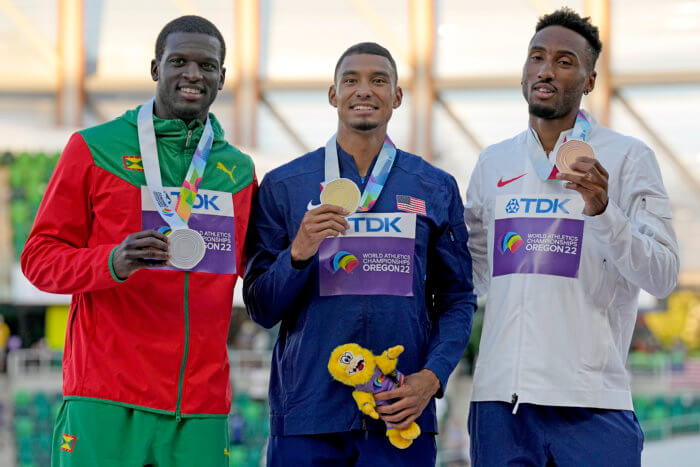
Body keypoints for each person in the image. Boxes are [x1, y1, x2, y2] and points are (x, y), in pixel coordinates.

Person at [21, 15, 256, 467]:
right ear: (155, 68)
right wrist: (111, 261)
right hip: (105, 397)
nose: (193, 74)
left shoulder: (238, 171)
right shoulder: (94, 148)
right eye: (179, 61)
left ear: (222, 78)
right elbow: (38, 259)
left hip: (199, 407)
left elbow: (259, 273)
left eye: (207, 66)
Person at [243, 42, 476, 466]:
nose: (363, 90)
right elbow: (260, 306)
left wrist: (431, 378)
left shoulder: (434, 187)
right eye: (350, 80)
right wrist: (297, 254)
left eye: (378, 81)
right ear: (333, 95)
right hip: (307, 415)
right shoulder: (285, 186)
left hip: (401, 410)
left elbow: (458, 299)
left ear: (397, 97)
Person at [464, 8, 679, 466]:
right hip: (500, 405)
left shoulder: (627, 158)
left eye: (564, 61)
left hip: (592, 404)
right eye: (536, 57)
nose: (545, 70)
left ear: (590, 81)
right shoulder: (492, 163)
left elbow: (663, 276)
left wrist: (605, 212)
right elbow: (472, 277)